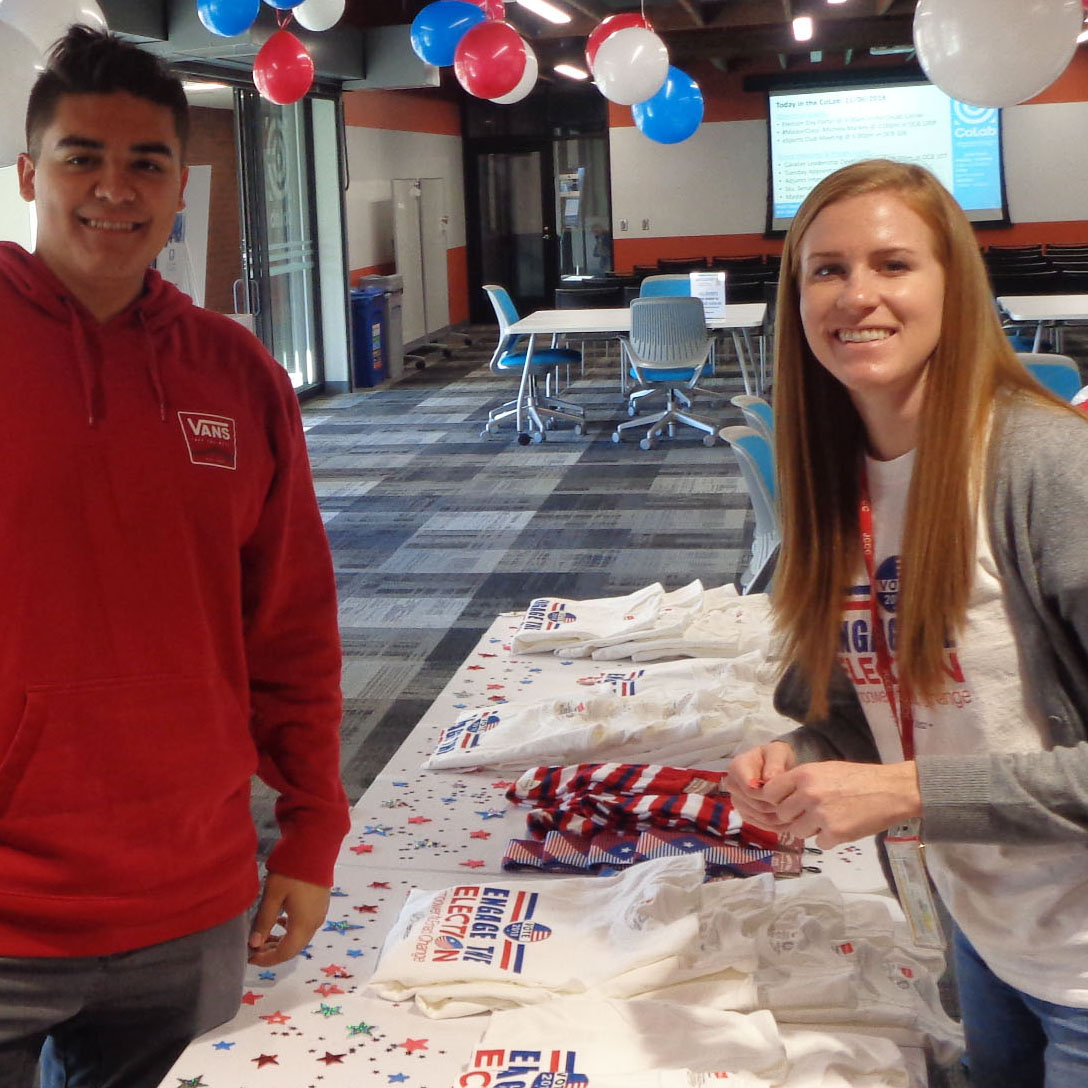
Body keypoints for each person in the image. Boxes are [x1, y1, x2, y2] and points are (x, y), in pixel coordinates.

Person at [0, 25, 351, 1087]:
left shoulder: (237, 375)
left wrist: (310, 828)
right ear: (28, 174)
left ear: (181, 181)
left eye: (146, 160)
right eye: (81, 157)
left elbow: (290, 622)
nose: (116, 188)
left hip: (191, 897)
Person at [726, 158, 1088, 1088]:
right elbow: (872, 715)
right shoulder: (835, 478)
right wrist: (806, 756)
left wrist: (909, 793)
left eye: (893, 264)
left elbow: (919, 774)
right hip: (983, 932)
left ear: (951, 285)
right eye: (827, 270)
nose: (858, 296)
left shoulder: (1046, 467)